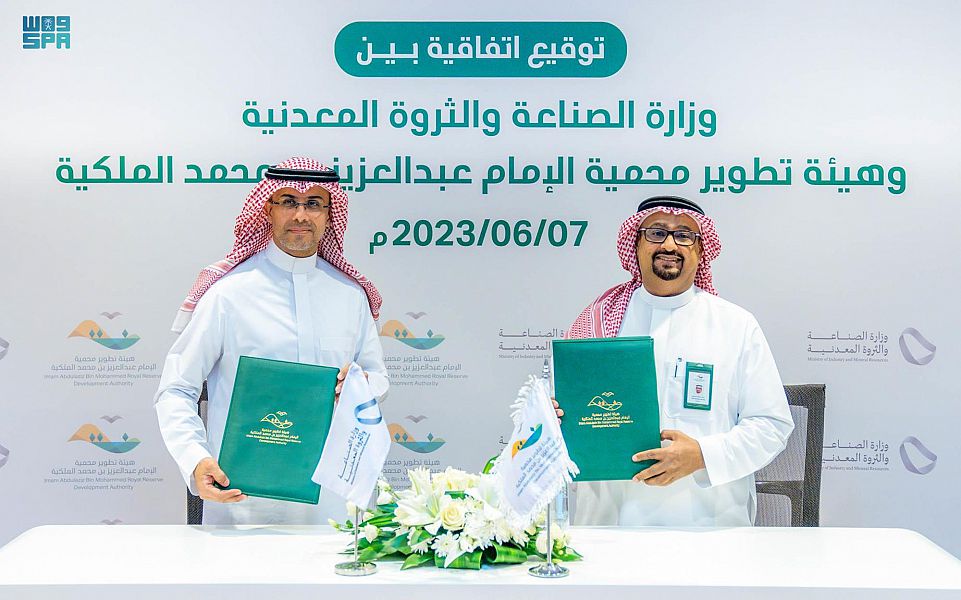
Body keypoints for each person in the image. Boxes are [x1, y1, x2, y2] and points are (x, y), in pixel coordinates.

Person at [154, 156, 388, 525]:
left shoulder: (350, 295)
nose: (301, 215)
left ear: (329, 214)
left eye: (314, 203)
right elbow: (176, 389)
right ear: (268, 209)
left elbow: (378, 379)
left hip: (333, 505)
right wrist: (195, 459)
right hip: (243, 504)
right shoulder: (228, 295)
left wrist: (358, 385)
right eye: (288, 202)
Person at [556, 195, 794, 526]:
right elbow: (559, 415)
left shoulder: (736, 325)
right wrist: (556, 415)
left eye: (684, 235)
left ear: (701, 249)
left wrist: (701, 456)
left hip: (708, 525)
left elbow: (771, 426)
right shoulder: (598, 322)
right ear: (635, 244)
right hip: (611, 524)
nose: (669, 244)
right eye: (656, 233)